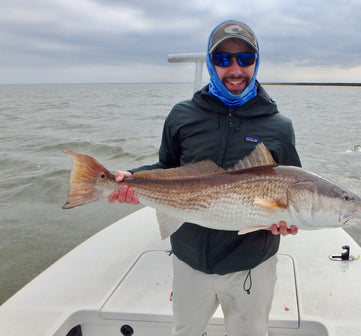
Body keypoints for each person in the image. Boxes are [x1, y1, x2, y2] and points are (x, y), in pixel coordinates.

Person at [108, 20, 302, 336]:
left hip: (251, 263)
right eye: (223, 59)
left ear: (257, 61)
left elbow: (291, 184)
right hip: (188, 258)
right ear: (211, 63)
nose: (235, 69)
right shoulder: (182, 115)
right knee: (185, 331)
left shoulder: (279, 126)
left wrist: (287, 220)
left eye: (245, 58)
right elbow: (166, 167)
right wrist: (134, 178)